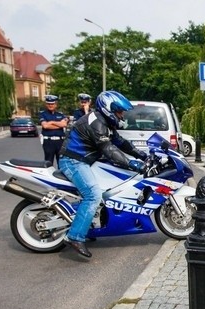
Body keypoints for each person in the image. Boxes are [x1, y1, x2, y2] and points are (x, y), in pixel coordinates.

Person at [58, 91, 150, 258]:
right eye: (120, 112)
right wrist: (132, 164)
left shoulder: (104, 121)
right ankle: (75, 236)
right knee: (92, 195)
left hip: (85, 160)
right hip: (73, 161)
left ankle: (90, 226)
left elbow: (120, 142)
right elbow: (108, 150)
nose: (122, 116)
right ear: (109, 108)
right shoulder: (97, 123)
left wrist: (141, 155)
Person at [39, 95, 68, 168]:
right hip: (48, 142)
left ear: (56, 104)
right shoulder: (43, 114)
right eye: (48, 104)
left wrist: (51, 122)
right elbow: (45, 126)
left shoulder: (60, 114)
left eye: (52, 104)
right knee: (48, 163)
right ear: (46, 104)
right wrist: (58, 124)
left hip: (60, 141)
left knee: (61, 163)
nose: (50, 105)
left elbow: (64, 124)